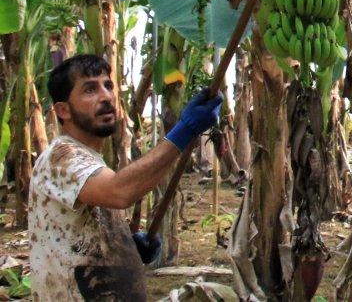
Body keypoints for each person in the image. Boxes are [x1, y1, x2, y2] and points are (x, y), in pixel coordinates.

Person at [29, 53, 223, 301]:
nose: (106, 97)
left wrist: (127, 247)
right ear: (63, 110)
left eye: (107, 85)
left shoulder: (89, 159)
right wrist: (184, 130)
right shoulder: (61, 156)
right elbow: (119, 192)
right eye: (90, 90)